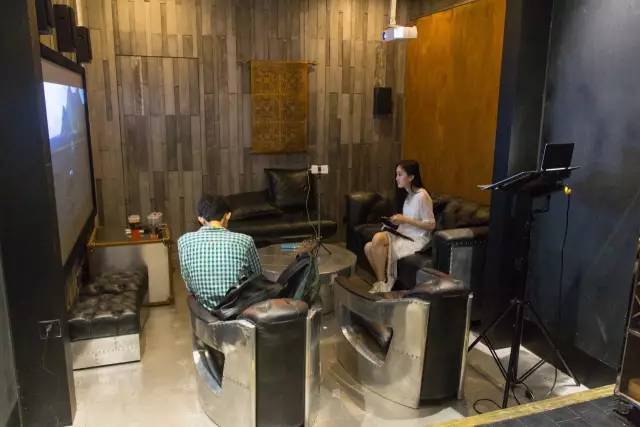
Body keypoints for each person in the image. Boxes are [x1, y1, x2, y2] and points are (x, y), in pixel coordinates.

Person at [178, 194, 262, 311]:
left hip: (204, 309)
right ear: (228, 215)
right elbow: (257, 276)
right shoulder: (245, 240)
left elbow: (188, 282)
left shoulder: (184, 241)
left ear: (200, 219)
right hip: (237, 307)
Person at [364, 160, 436, 292]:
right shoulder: (408, 195)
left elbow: (431, 225)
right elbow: (409, 220)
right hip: (404, 233)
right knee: (368, 248)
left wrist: (405, 219)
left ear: (411, 177)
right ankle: (384, 283)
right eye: (396, 174)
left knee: (378, 239)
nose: (396, 178)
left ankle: (382, 285)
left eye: (400, 174)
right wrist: (397, 221)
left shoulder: (422, 196)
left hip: (416, 239)